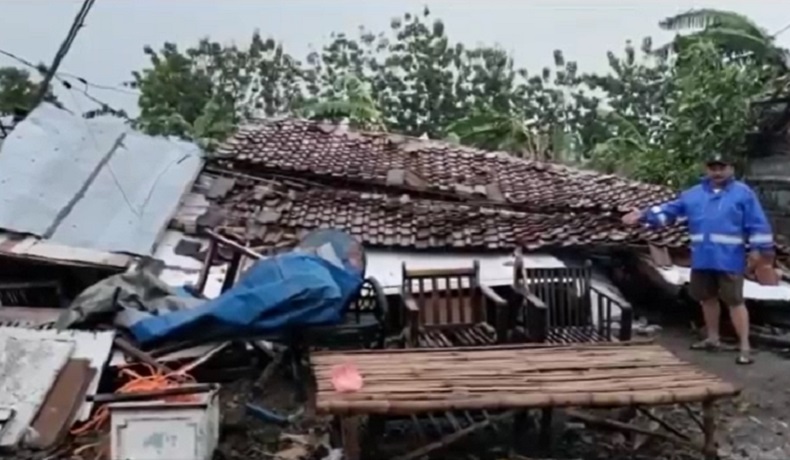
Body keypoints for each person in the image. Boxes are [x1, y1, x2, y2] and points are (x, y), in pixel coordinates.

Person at [622, 152, 774, 365]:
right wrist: (643, 215)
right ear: (706, 169)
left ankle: (745, 347)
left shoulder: (743, 194)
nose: (717, 172)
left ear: (731, 169)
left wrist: (758, 250)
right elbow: (670, 211)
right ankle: (713, 339)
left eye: (722, 167)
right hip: (702, 257)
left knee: (735, 301)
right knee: (706, 298)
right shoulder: (693, 194)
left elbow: (757, 224)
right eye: (713, 168)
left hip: (729, 258)